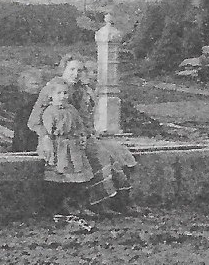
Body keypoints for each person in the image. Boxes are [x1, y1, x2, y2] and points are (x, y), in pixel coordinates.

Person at [27, 55, 141, 219]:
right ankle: (89, 204)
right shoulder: (52, 89)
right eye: (71, 69)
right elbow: (33, 121)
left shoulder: (81, 90)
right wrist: (45, 137)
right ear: (63, 70)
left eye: (79, 70)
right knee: (97, 157)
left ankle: (114, 202)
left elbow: (82, 120)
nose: (75, 74)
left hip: (78, 137)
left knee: (110, 155)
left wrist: (85, 134)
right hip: (55, 140)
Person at [35, 86, 96, 225]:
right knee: (59, 176)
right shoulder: (49, 112)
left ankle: (77, 205)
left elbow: (80, 126)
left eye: (65, 93)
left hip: (73, 147)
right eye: (59, 93)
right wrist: (48, 145)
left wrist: (82, 136)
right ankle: (58, 208)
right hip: (59, 146)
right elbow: (47, 132)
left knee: (78, 177)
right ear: (51, 96)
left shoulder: (72, 110)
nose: (62, 96)